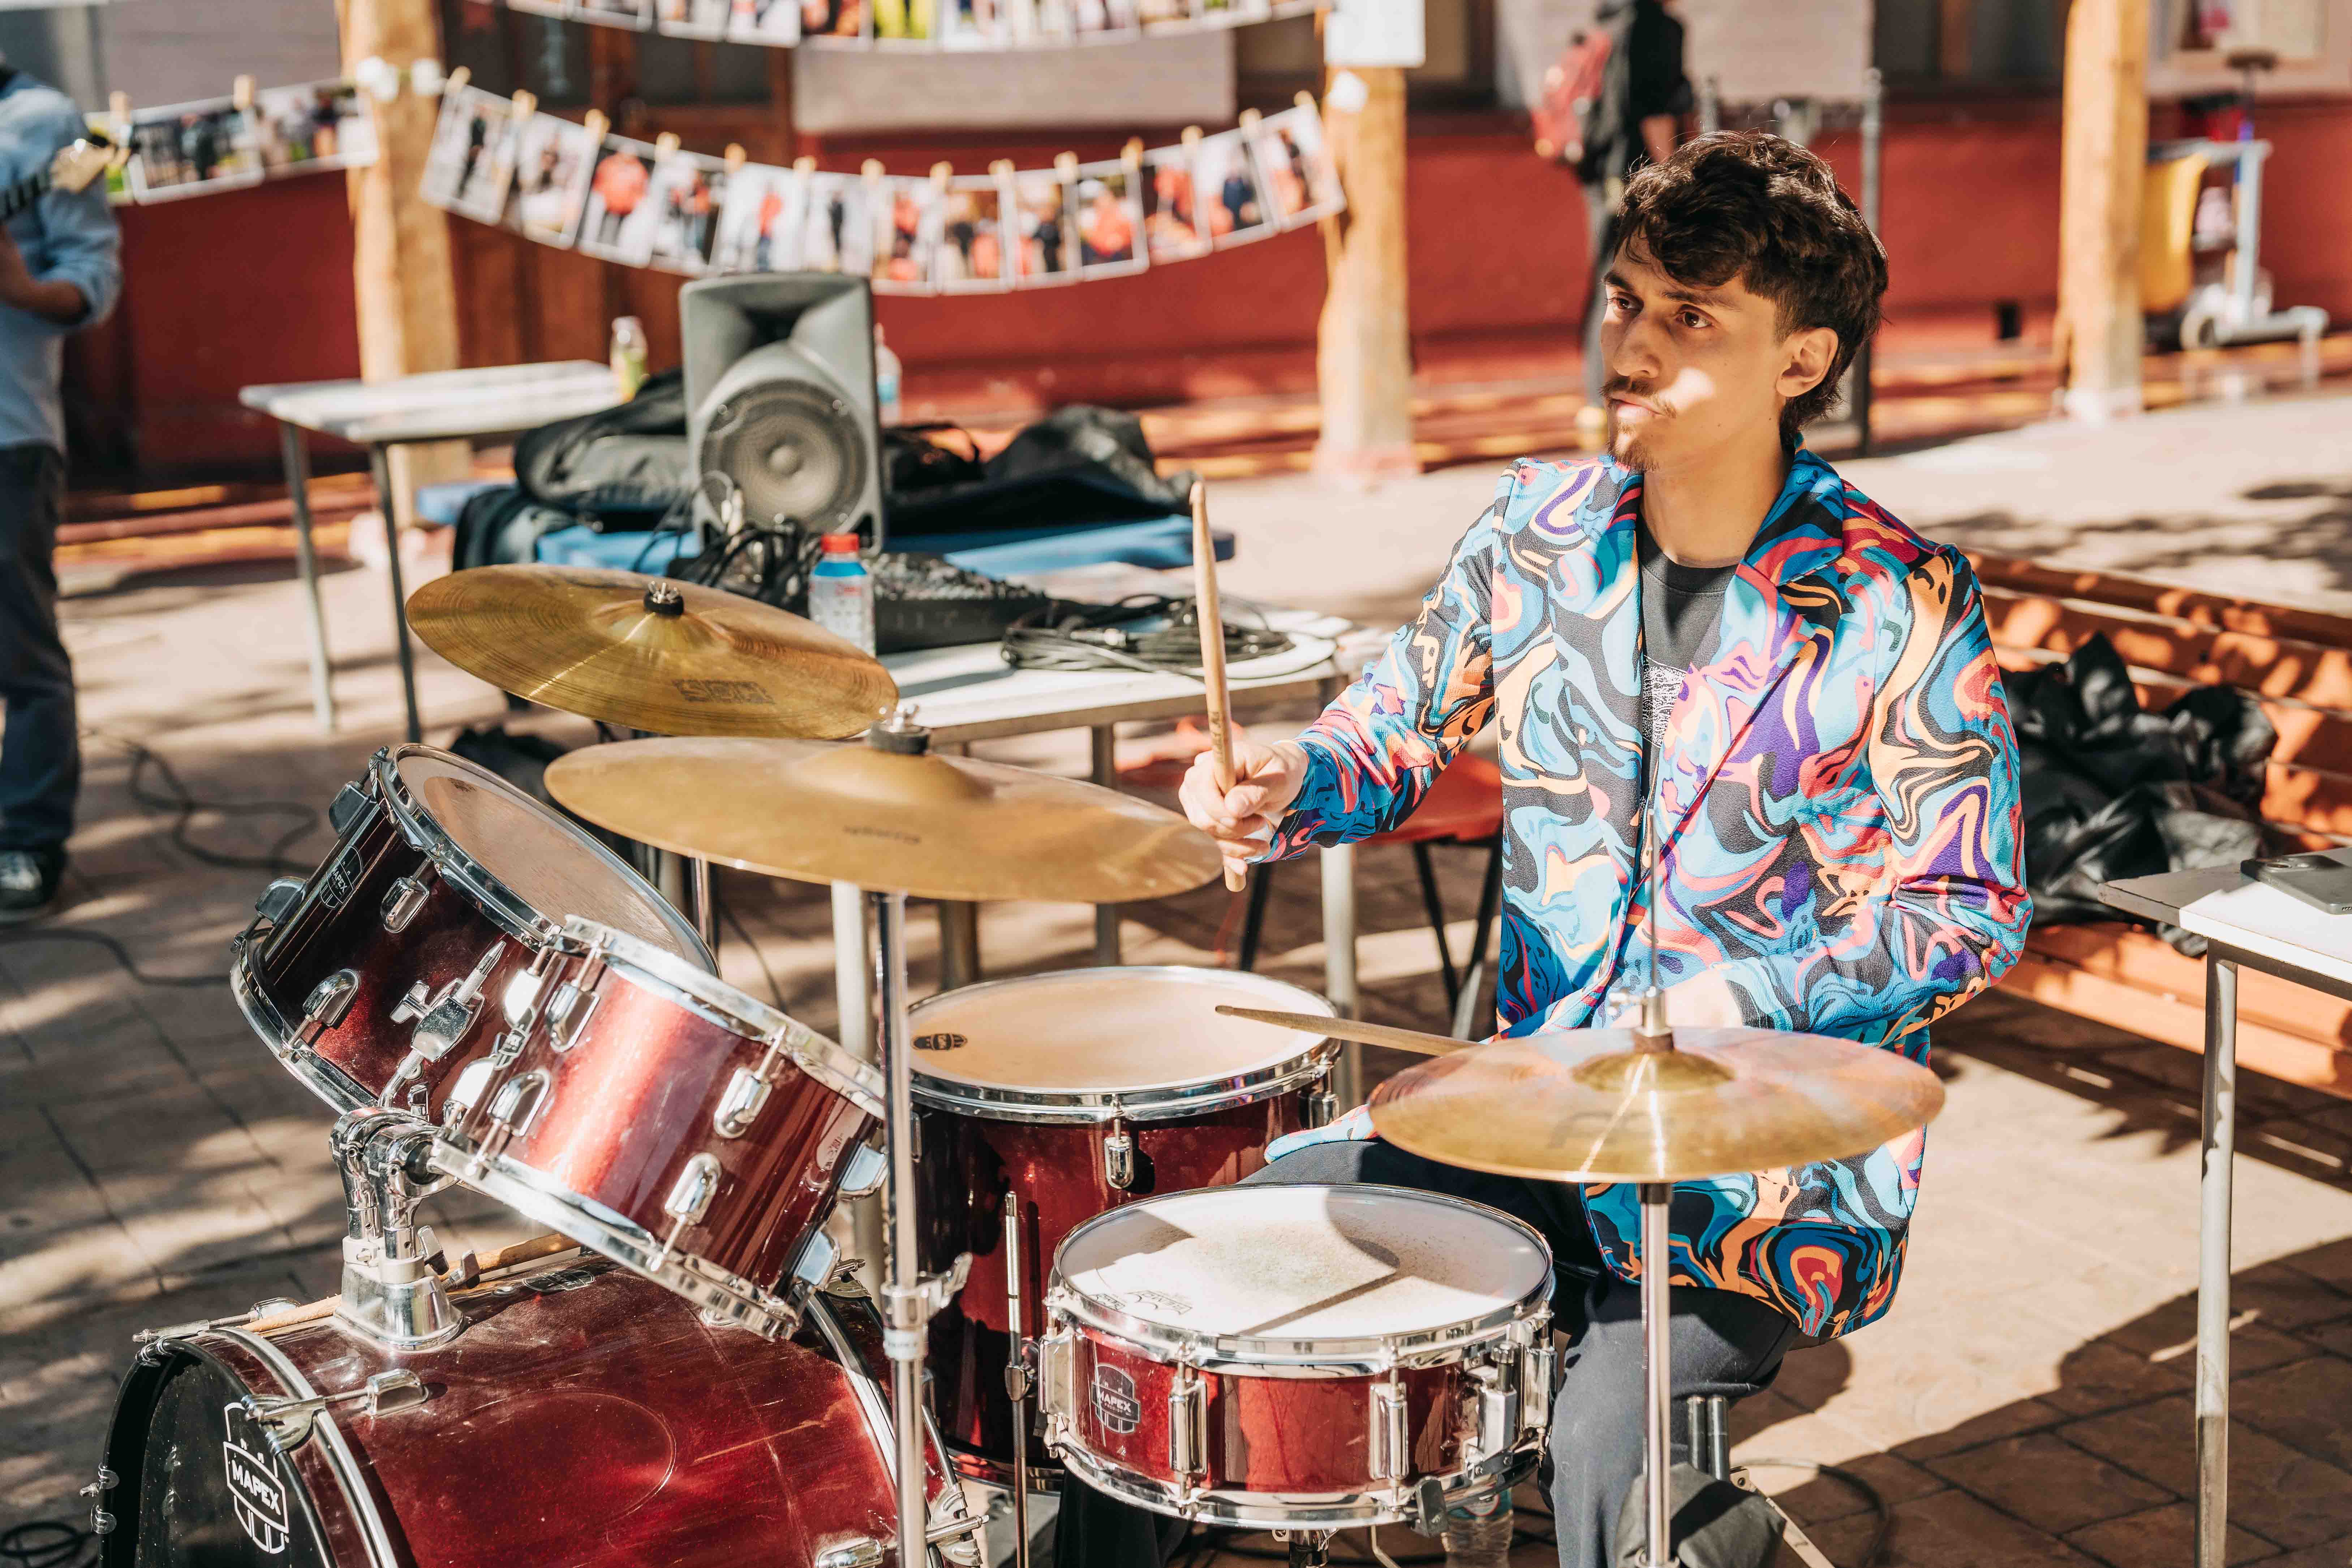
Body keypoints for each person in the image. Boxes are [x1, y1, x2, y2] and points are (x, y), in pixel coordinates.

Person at [1063, 133, 2030, 1568]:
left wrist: (1737, 1000)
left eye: (1690, 317)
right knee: (1172, 1295)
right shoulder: (1536, 529)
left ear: (1800, 359)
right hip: (1521, 1118)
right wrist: (1286, 777)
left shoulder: (1899, 596)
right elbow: (1392, 730)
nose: (1630, 345)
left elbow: (1965, 909)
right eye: (1627, 299)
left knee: (1601, 1446)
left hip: (1754, 1186)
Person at [0, 60, 122, 923]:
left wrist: (21, 288)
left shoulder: (44, 125)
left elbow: (93, 274)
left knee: (19, 648)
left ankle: (29, 837)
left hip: (9, 431)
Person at [1572, 0, 1688, 433]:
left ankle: (1595, 395)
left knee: (1610, 280)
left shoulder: (1609, 20)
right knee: (1639, 280)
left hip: (1603, 174)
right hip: (1639, 175)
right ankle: (1623, 390)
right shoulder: (1655, 26)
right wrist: (1674, 177)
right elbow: (1655, 108)